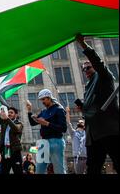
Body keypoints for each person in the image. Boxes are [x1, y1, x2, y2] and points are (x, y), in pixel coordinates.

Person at [76, 34, 119, 174]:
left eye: (88, 67)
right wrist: (83, 108)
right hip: (93, 134)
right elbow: (91, 108)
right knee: (93, 167)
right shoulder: (88, 87)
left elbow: (98, 63)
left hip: (109, 129)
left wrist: (84, 45)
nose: (85, 71)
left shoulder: (104, 77)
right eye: (83, 69)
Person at [26, 88, 67, 174]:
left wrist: (47, 123)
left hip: (56, 141)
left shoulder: (59, 109)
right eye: (41, 100)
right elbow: (33, 123)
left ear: (49, 98)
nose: (42, 102)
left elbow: (63, 128)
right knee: (39, 170)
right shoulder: (44, 111)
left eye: (44, 99)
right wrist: (29, 111)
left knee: (59, 170)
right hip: (43, 142)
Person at [0, 98, 24, 174]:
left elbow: (16, 129)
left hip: (15, 151)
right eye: (8, 112)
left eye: (11, 113)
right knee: (3, 171)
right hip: (5, 151)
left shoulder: (19, 123)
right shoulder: (4, 123)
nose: (9, 114)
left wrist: (7, 119)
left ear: (16, 115)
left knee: (18, 171)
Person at [66, 106, 87, 174]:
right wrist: (67, 112)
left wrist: (83, 110)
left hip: (87, 158)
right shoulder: (73, 133)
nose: (80, 121)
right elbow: (68, 122)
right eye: (79, 121)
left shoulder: (86, 132)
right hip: (78, 159)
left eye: (82, 121)